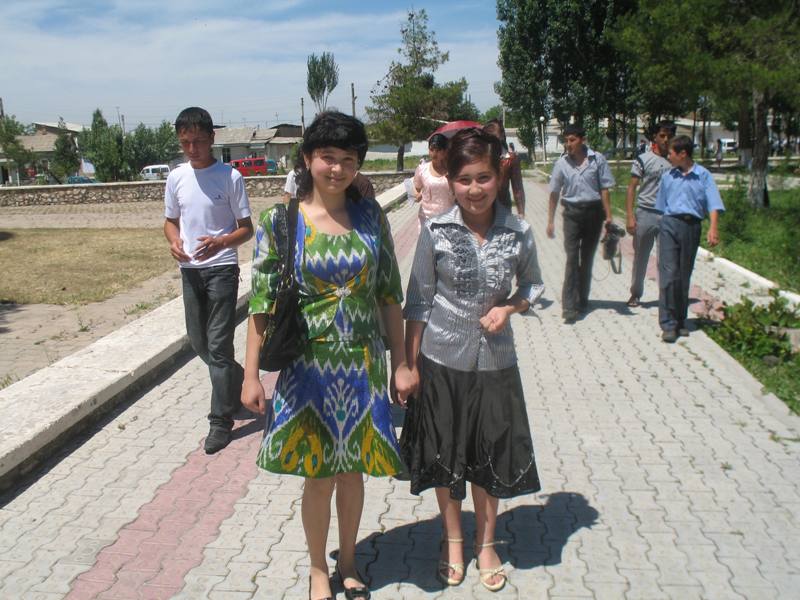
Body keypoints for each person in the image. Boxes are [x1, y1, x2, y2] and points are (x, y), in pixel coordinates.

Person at [241, 111, 414, 600]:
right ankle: (320, 568)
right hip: (307, 368)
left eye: (348, 160)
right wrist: (251, 375)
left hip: (361, 364)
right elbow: (261, 304)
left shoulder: (371, 216)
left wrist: (400, 362)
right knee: (318, 474)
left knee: (353, 469)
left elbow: (388, 295)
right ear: (307, 159)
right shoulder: (281, 221)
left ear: (358, 165)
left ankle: (351, 558)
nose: (337, 169)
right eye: (327, 158)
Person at [402, 128, 542, 592]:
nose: (474, 189)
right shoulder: (436, 231)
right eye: (464, 180)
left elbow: (533, 285)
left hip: (497, 365)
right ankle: (453, 540)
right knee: (445, 458)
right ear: (451, 180)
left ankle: (486, 544)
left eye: (483, 177)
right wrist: (409, 364)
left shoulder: (518, 231)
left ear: (499, 174)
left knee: (489, 459)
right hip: (441, 360)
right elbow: (418, 301)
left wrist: (510, 307)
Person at [163, 106, 253, 454]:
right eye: (185, 142)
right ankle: (238, 380)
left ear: (212, 138)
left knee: (218, 347)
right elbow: (170, 221)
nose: (191, 149)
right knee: (199, 343)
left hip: (222, 269)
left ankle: (220, 420)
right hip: (190, 272)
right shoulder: (176, 177)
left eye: (198, 141)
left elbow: (246, 229)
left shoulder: (230, 178)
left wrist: (221, 241)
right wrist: (173, 241)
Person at [656, 135, 724, 343]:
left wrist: (713, 228)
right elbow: (660, 206)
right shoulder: (668, 177)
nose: (668, 156)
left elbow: (713, 203)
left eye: (671, 153)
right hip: (669, 224)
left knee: (684, 275)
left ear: (683, 154)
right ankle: (667, 324)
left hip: (691, 227)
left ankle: (680, 320)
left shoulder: (703, 176)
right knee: (669, 275)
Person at [546, 124, 615, 323]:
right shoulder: (562, 164)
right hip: (572, 215)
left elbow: (604, 189)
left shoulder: (597, 159)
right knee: (571, 259)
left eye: (572, 140)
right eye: (566, 140)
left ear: (582, 140)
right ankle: (569, 306)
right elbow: (554, 192)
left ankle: (582, 299)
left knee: (586, 259)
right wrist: (550, 220)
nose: (568, 144)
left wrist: (609, 215)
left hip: (594, 213)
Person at [625, 120, 676, 307]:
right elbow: (631, 188)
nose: (665, 139)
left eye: (669, 136)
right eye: (662, 135)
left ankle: (665, 297)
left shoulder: (676, 161)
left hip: (668, 215)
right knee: (640, 258)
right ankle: (635, 293)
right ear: (655, 137)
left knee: (666, 260)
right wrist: (630, 216)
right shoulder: (643, 159)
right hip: (645, 213)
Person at [483, 119, 526, 217]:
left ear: (502, 135)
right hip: (483, 210)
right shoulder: (480, 157)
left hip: (503, 209)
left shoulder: (511, 159)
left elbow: (518, 188)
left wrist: (521, 212)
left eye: (494, 133)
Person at [412, 133, 454, 228]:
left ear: (445, 151)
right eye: (431, 149)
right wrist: (416, 195)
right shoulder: (422, 169)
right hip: (426, 220)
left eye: (438, 150)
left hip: (448, 220)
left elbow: (459, 194)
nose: (434, 153)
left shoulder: (452, 170)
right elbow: (416, 188)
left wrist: (451, 181)